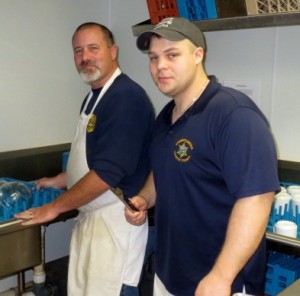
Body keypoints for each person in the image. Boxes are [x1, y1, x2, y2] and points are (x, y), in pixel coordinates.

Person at [125, 17, 280, 296]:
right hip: (169, 274)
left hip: (220, 284)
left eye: (172, 55)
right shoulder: (166, 117)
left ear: (198, 54)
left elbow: (257, 199)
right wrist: (145, 198)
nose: (160, 65)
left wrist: (221, 276)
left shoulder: (234, 115)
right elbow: (164, 169)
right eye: (153, 57)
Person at [15, 22, 155, 296]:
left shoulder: (125, 98)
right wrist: (59, 179)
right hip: (93, 223)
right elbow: (93, 158)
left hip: (116, 226)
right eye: (78, 51)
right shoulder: (94, 98)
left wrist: (54, 208)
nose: (85, 57)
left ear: (113, 51)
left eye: (93, 48)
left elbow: (107, 173)